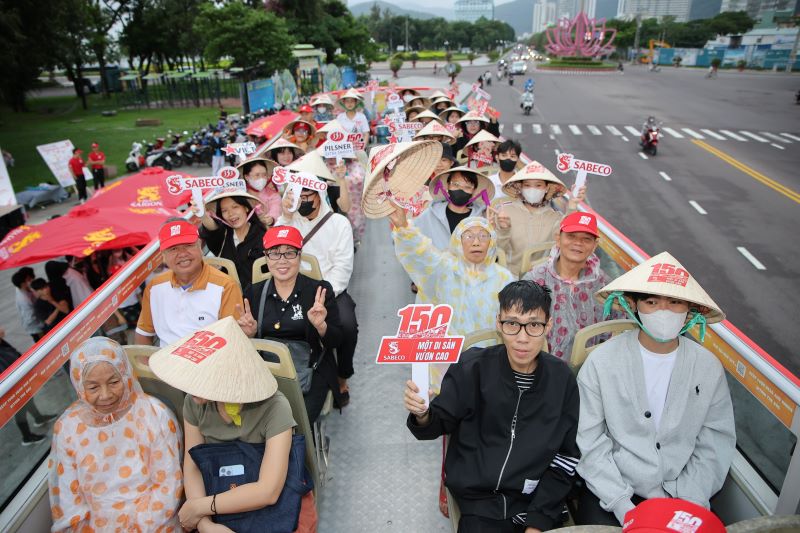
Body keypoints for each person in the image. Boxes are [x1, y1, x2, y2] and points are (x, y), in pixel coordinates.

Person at [404, 280, 580, 532]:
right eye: (512, 324)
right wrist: (422, 414)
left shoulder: (562, 380)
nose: (522, 338)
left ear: (548, 325)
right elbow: (438, 423)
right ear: (499, 324)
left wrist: (537, 522)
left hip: (536, 502)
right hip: (479, 502)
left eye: (533, 325)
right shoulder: (472, 368)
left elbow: (565, 457)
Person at [574, 252, 736, 525]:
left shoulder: (708, 368)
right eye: (652, 302)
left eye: (674, 302)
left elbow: (715, 442)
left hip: (682, 491)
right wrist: (623, 506)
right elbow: (590, 441)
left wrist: (690, 500)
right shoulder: (602, 362)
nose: (664, 311)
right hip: (614, 489)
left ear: (689, 311)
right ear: (634, 305)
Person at [148, 316, 313, 533]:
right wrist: (206, 524)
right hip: (219, 489)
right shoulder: (194, 402)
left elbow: (268, 491)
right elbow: (193, 465)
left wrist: (200, 507)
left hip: (266, 496)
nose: (193, 386)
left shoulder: (275, 407)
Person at [48, 337, 183, 531]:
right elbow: (69, 497)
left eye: (113, 382)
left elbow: (168, 485)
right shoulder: (67, 428)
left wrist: (140, 526)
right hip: (94, 523)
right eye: (93, 387)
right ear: (79, 385)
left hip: (153, 521)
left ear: (126, 376)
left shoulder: (154, 415)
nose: (105, 395)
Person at [389, 205, 514, 392]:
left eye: (483, 236)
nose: (476, 242)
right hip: (447, 365)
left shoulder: (505, 278)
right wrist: (404, 227)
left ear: (492, 242)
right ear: (457, 241)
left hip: (490, 365)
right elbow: (421, 255)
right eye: (468, 236)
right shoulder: (442, 269)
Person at [237, 226, 344, 423]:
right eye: (275, 254)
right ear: (266, 257)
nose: (282, 260)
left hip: (311, 371)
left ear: (300, 256)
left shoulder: (319, 291)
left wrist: (321, 327)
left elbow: (336, 340)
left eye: (289, 252)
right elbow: (242, 346)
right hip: (266, 371)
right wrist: (249, 335)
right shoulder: (253, 293)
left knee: (294, 422)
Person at [276, 154, 357, 402]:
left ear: (318, 195)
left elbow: (342, 267)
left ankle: (343, 375)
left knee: (347, 326)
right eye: (296, 196)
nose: (302, 201)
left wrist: (321, 294)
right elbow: (276, 251)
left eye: (306, 196)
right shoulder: (290, 223)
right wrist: (286, 216)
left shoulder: (339, 224)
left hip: (330, 291)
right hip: (292, 288)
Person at [135, 218, 243, 346]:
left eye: (188, 245)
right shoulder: (154, 287)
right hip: (164, 362)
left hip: (211, 362)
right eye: (173, 249)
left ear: (200, 246)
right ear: (163, 255)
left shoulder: (225, 286)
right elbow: (144, 333)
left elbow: (232, 340)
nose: (182, 254)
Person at [522, 212, 613, 362]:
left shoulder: (604, 284)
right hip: (540, 363)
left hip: (590, 363)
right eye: (571, 236)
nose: (578, 243)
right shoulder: (535, 279)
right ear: (558, 239)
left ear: (594, 246)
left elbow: (613, 329)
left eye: (586, 239)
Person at [491, 161, 586, 277]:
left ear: (546, 188)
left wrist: (572, 205)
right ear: (520, 187)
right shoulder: (504, 212)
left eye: (538, 185)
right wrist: (503, 230)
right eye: (527, 185)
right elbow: (494, 251)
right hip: (507, 277)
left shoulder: (555, 217)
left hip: (540, 280)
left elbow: (567, 235)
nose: (532, 189)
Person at [195, 188, 266, 288]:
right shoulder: (222, 236)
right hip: (228, 298)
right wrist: (203, 216)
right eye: (224, 210)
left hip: (261, 299)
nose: (230, 213)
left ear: (246, 208)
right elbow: (212, 229)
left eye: (235, 207)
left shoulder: (264, 235)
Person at [413, 166, 495, 251]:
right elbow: (410, 239)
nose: (460, 190)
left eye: (467, 187)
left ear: (473, 191)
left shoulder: (481, 219)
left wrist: (490, 232)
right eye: (455, 184)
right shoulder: (429, 214)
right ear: (448, 185)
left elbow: (490, 252)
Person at [0, 328, 56, 445]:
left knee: (28, 400)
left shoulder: (2, 343)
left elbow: (14, 353)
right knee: (20, 408)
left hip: (18, 379)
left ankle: (38, 417)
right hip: (11, 384)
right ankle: (27, 436)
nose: (2, 329)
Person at [322, 150, 366, 245]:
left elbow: (358, 180)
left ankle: (353, 243)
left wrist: (340, 179)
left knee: (353, 227)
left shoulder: (354, 165)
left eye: (335, 155)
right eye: (330, 154)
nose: (332, 157)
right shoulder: (323, 165)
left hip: (353, 202)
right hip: (332, 204)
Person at [239, 157, 281, 228]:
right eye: (257, 175)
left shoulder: (273, 194)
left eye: (264, 175)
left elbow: (276, 208)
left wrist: (271, 219)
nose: (261, 178)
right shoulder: (239, 194)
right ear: (246, 177)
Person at [12, 267, 46, 342]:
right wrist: (44, 323)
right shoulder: (24, 299)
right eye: (28, 280)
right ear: (22, 283)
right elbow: (30, 318)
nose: (30, 281)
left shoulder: (21, 288)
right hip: (36, 328)